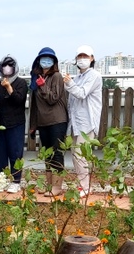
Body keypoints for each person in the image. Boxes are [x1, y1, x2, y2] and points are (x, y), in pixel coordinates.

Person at [63, 45, 103, 196]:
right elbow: (71, 102)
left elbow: (81, 93)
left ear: (92, 58)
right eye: (79, 57)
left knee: (81, 154)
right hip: (76, 122)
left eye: (85, 56)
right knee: (76, 154)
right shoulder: (78, 77)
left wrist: (69, 83)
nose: (82, 59)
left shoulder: (94, 76)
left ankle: (85, 187)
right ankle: (83, 185)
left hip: (87, 122)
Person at [28, 47, 69, 196]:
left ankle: (57, 187)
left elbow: (53, 98)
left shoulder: (56, 76)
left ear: (54, 62)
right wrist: (32, 126)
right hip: (42, 122)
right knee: (47, 154)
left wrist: (43, 86)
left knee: (57, 153)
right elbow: (34, 105)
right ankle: (49, 184)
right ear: (38, 61)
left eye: (49, 58)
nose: (46, 61)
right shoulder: (36, 78)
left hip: (57, 120)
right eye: (43, 58)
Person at [0, 55, 28, 193]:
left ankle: (16, 180)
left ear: (15, 68)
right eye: (4, 66)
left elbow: (19, 101)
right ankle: (2, 179)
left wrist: (9, 88)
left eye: (10, 66)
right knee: (0, 154)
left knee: (15, 153)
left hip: (16, 124)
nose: (7, 69)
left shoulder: (21, 83)